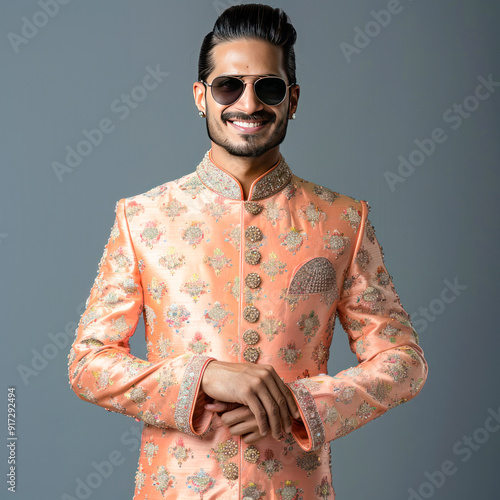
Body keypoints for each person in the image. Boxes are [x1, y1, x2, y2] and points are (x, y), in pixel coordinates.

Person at [67, 4, 428, 499]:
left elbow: (404, 362)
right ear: (201, 97)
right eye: (228, 86)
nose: (249, 103)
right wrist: (204, 376)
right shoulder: (143, 218)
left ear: (293, 99)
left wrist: (302, 405)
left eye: (269, 87)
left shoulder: (343, 220)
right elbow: (87, 364)